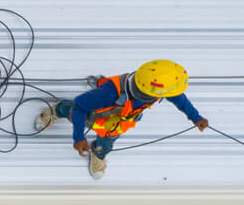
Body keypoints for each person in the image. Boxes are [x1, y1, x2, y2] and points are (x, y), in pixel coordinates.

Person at [35, 59, 209, 179]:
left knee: (106, 144)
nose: (174, 94)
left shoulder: (151, 85)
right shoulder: (109, 93)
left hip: (118, 123)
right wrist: (79, 137)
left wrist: (195, 117)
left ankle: (99, 152)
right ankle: (57, 110)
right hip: (94, 114)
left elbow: (178, 97)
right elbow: (80, 105)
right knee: (71, 110)